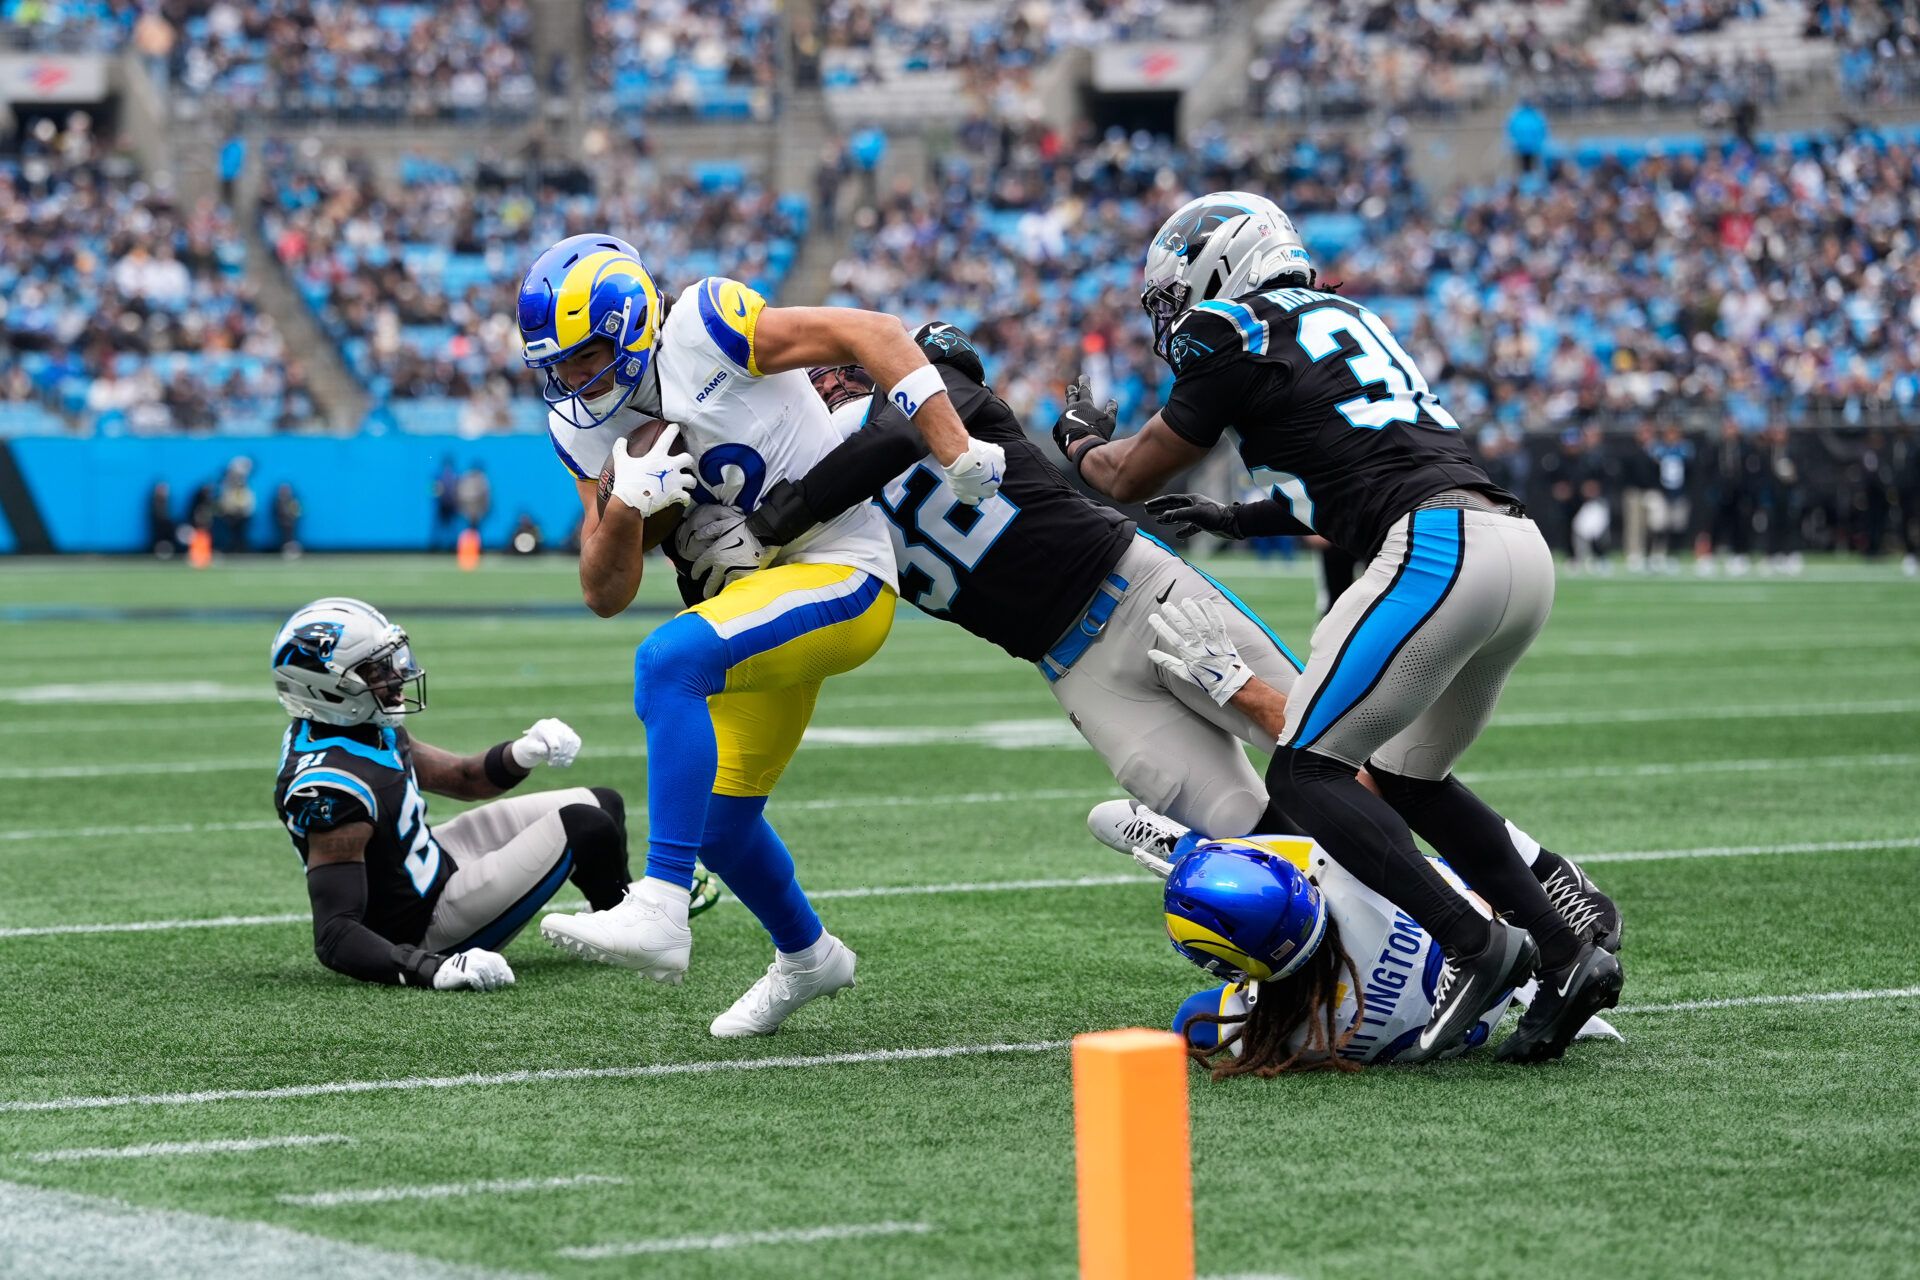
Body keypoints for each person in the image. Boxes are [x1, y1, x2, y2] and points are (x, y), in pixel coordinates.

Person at [1052, 192, 1620, 1063]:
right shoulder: (1348, 314)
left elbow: (1127, 474)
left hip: (1437, 549)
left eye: (1173, 296)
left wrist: (1080, 444)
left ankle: (1477, 944)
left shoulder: (1225, 330)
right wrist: (1232, 519)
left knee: (1309, 770)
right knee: (1411, 779)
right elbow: (1354, 469)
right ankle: (1565, 953)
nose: (1172, 318)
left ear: (1218, 266)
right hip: (1515, 548)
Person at [516, 232, 1003, 1036]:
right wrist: (625, 507)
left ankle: (663, 906)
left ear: (634, 323)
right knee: (719, 821)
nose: (571, 379)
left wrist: (955, 448)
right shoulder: (583, 430)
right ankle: (809, 958)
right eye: (558, 364)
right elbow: (603, 592)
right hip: (758, 600)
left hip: (840, 572)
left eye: (585, 354)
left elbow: (877, 334)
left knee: (668, 660)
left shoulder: (707, 323)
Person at [729, 322, 1303, 842]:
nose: (829, 386)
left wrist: (767, 525)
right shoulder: (798, 481)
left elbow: (894, 441)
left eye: (837, 371)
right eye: (815, 380)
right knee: (1247, 831)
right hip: (1074, 671)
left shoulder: (923, 391)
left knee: (1320, 747)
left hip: (1138, 590)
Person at [268, 597, 717, 991]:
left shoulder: (352, 725)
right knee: (586, 825)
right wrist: (429, 968)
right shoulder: (326, 788)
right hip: (421, 926)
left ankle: (622, 915)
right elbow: (335, 934)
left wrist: (524, 751)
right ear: (328, 688)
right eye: (375, 669)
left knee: (604, 802)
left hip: (429, 862)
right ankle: (632, 924)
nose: (396, 675)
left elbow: (464, 779)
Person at [1121, 834, 1619, 1072]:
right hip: (1489, 964)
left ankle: (1182, 844)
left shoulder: (1293, 1033)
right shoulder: (1340, 870)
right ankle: (1547, 928)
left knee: (1194, 1020)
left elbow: (1195, 1020)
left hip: (1449, 1029)